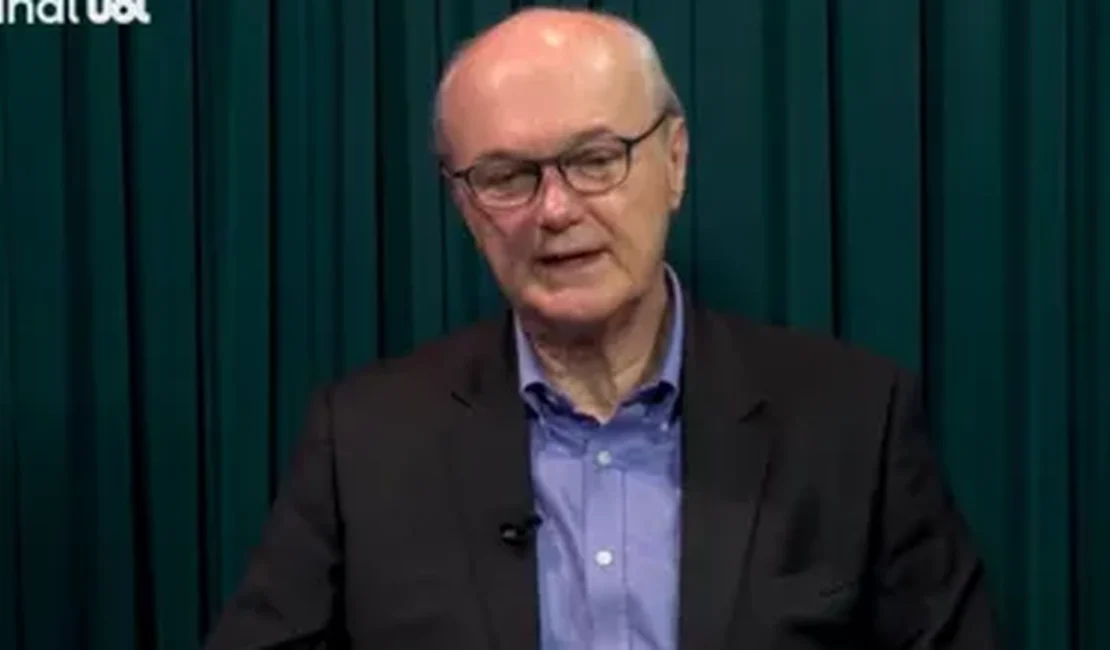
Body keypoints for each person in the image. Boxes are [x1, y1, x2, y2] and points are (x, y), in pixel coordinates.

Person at [205, 7, 1001, 649]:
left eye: (594, 159)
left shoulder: (854, 421)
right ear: (463, 205)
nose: (555, 211)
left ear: (675, 162)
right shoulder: (364, 440)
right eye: (506, 176)